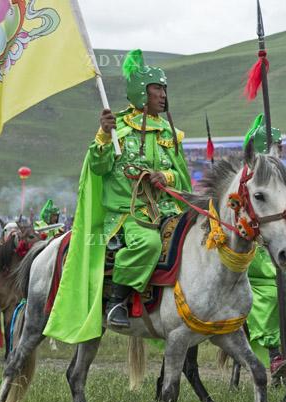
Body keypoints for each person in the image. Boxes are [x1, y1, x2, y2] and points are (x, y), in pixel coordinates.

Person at [44, 49, 191, 343]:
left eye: (164, 89)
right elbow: (98, 168)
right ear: (141, 92)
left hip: (165, 212)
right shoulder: (116, 129)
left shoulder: (170, 134)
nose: (163, 95)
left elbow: (184, 176)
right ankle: (116, 301)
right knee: (148, 244)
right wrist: (102, 137)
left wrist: (167, 177)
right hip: (127, 213)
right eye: (156, 89)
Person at [242, 114, 286, 382]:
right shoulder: (248, 179)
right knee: (270, 292)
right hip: (252, 254)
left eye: (281, 147)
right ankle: (274, 354)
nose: (281, 151)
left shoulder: (278, 180)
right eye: (277, 147)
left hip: (277, 246)